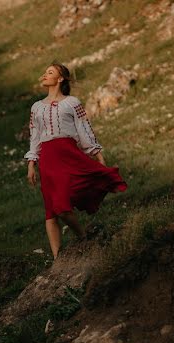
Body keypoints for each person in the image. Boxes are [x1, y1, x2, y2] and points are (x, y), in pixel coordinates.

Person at [24, 62, 128, 258]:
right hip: (47, 158)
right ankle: (57, 258)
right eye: (45, 72)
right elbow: (35, 136)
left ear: (60, 78)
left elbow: (84, 128)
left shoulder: (72, 103)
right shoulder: (36, 107)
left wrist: (98, 154)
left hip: (68, 154)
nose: (45, 75)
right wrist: (32, 163)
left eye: (50, 72)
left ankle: (82, 236)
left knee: (62, 208)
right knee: (51, 211)